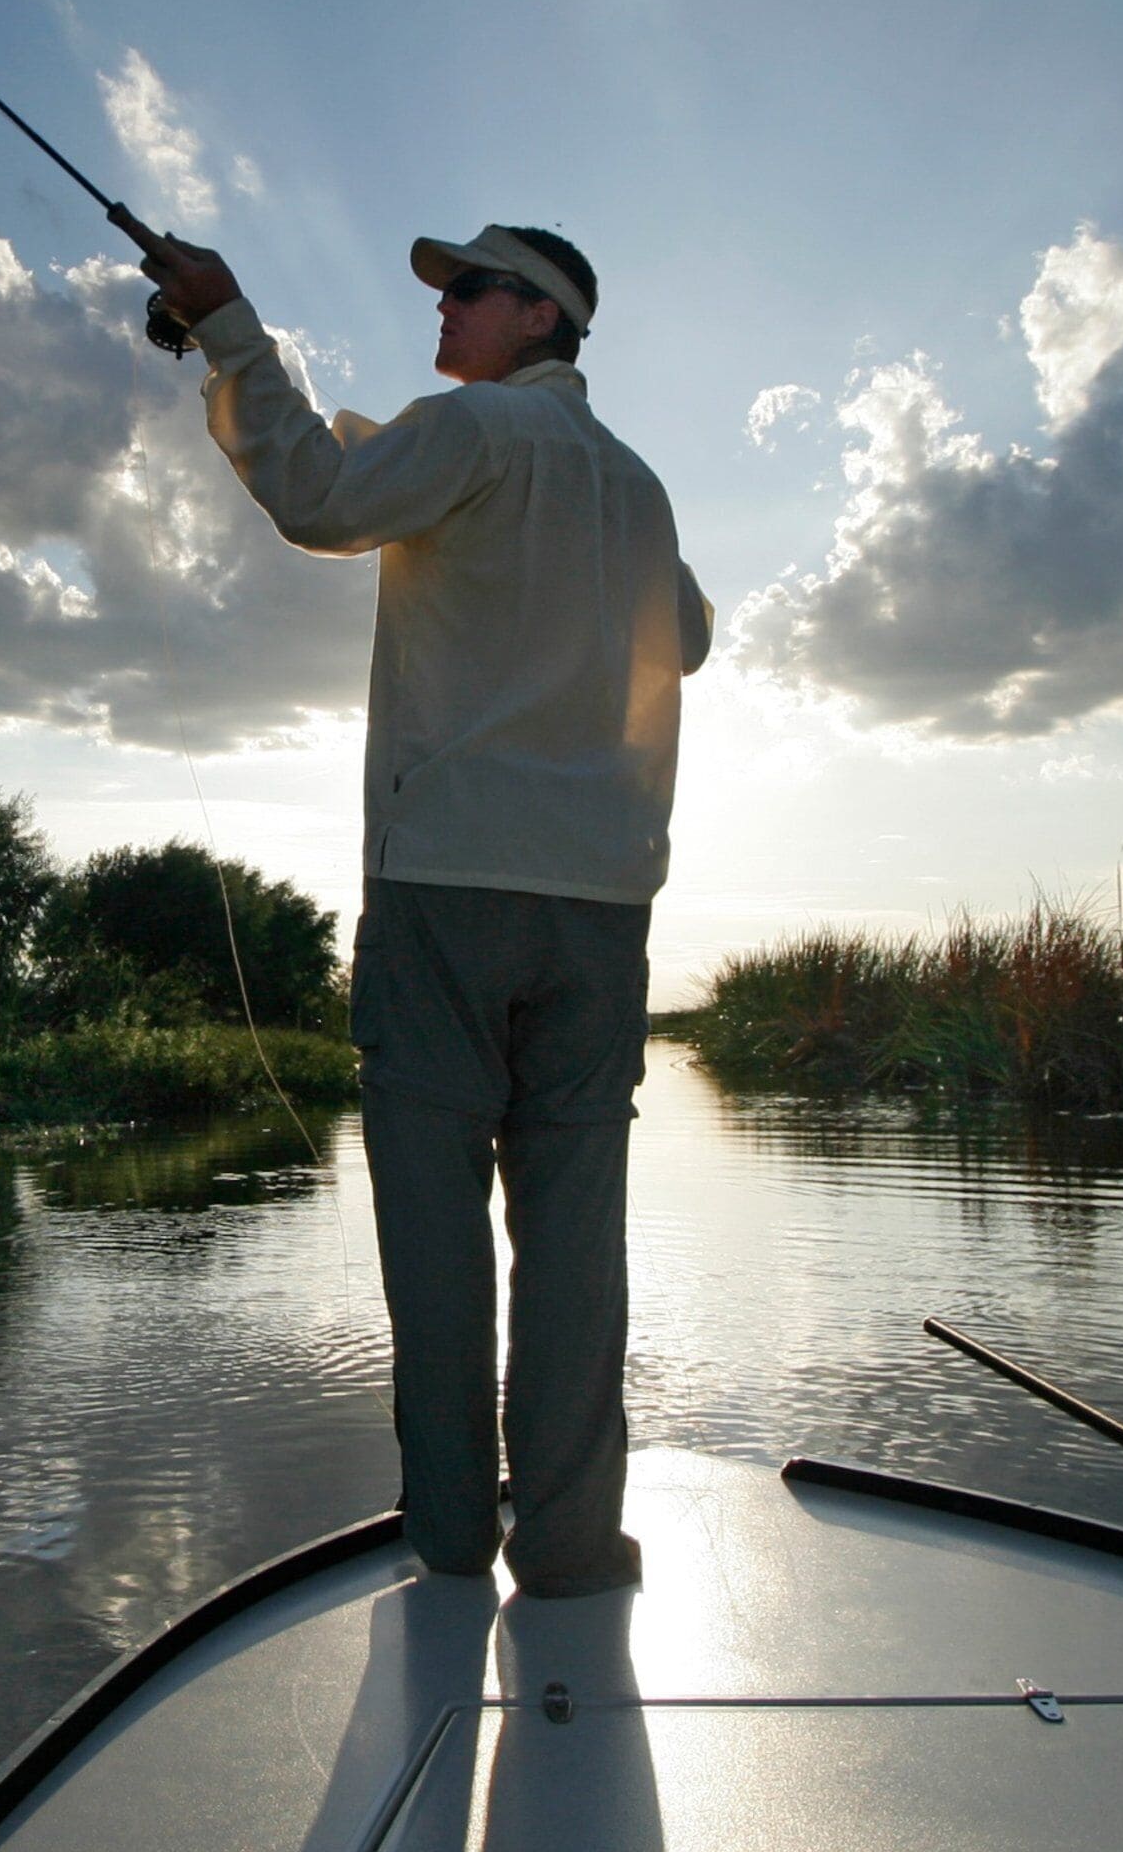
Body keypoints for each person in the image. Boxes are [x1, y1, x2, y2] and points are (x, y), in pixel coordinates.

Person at [138, 220, 710, 1597]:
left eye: (469, 291)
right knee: (577, 1241)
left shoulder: (470, 434)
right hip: (601, 912)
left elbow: (321, 498)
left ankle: (454, 1542)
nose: (444, 309)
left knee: (436, 1239)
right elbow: (684, 634)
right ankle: (573, 1549)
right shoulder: (636, 486)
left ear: (539, 316)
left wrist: (226, 327)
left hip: (447, 892)